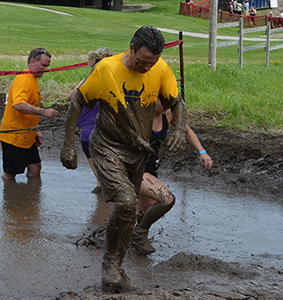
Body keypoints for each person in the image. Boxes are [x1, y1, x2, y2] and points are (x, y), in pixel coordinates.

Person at [60, 26, 187, 293]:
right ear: (131, 49)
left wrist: (179, 131)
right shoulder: (106, 69)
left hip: (137, 153)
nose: (146, 68)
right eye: (142, 62)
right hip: (106, 146)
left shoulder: (160, 69)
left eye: (151, 63)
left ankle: (117, 265)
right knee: (127, 202)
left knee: (128, 214)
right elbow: (76, 103)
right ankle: (110, 265)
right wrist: (68, 146)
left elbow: (177, 103)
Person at [130, 100, 213, 255]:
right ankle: (137, 235)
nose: (167, 105)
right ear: (152, 98)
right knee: (167, 199)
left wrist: (202, 152)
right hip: (134, 169)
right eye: (163, 101)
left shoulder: (167, 115)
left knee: (144, 212)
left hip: (151, 167)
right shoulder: (138, 114)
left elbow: (186, 131)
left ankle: (132, 242)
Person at [0, 48, 60, 180]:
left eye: (47, 66)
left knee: (35, 167)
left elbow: (30, 105)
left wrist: (35, 129)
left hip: (27, 134)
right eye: (43, 65)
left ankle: (31, 199)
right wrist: (44, 112)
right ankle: (11, 199)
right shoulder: (24, 79)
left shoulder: (32, 79)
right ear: (33, 61)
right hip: (14, 136)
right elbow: (19, 105)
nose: (45, 69)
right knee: (10, 174)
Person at [67, 48, 114, 192]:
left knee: (101, 179)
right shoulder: (114, 82)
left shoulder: (86, 81)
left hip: (88, 133)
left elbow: (69, 97)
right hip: (108, 132)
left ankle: (101, 203)